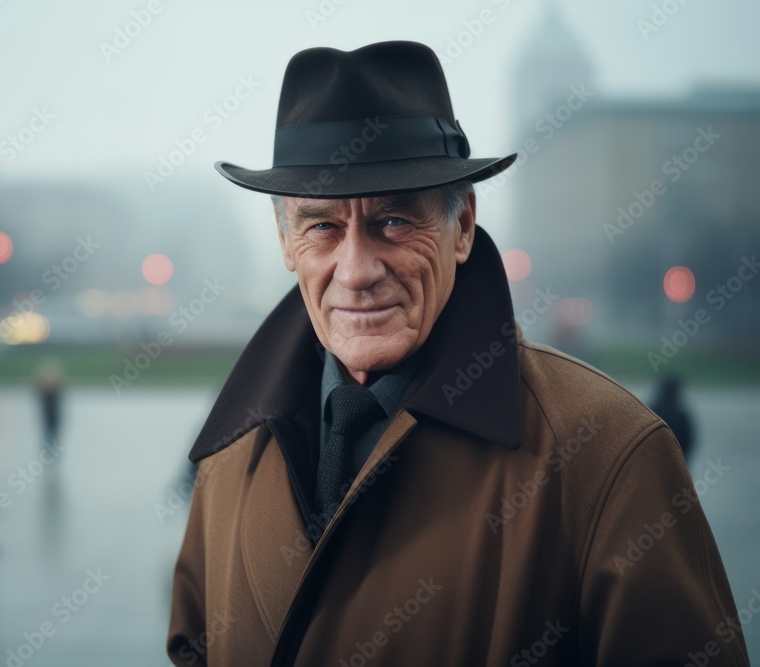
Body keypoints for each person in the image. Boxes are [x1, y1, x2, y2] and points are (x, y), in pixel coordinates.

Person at [167, 42, 749, 665]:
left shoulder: (607, 458)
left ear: (463, 226)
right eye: (322, 227)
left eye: (393, 221)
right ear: (285, 240)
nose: (356, 270)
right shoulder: (229, 454)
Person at [650, 375, 696, 462]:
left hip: (653, 462)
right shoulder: (681, 415)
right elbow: (688, 442)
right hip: (677, 462)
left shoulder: (651, 411)